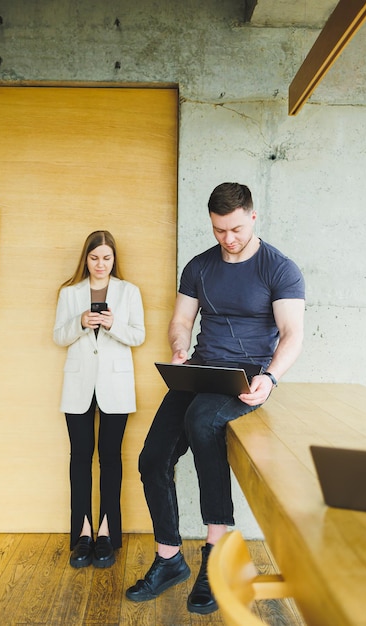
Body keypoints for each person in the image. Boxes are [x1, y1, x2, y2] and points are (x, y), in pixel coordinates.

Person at [125, 182, 305, 614]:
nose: (228, 239)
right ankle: (169, 559)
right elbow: (181, 320)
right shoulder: (200, 266)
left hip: (246, 379)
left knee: (203, 420)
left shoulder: (278, 268)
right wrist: (178, 349)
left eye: (236, 229)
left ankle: (214, 557)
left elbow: (292, 334)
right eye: (219, 230)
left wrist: (271, 377)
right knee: (151, 460)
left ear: (252, 217)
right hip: (200, 370)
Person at [54, 230, 145, 569]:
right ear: (86, 259)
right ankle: (82, 534)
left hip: (115, 387)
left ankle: (107, 532)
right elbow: (58, 336)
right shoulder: (69, 293)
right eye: (94, 258)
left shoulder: (129, 292)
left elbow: (138, 335)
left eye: (106, 258)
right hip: (78, 386)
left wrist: (112, 324)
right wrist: (79, 322)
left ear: (113, 259)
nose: (100, 264)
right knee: (79, 458)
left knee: (110, 458)